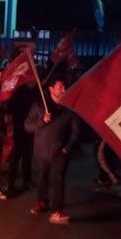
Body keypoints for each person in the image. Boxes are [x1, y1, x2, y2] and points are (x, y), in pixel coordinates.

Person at [24, 77, 80, 224]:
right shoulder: (39, 106)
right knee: (41, 178)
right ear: (51, 89)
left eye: (64, 86)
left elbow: (76, 131)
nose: (64, 89)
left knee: (58, 180)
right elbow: (27, 126)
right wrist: (42, 121)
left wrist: (67, 148)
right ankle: (42, 202)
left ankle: (56, 211)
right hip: (41, 151)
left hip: (59, 153)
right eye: (60, 86)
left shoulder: (69, 109)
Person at [6, 84, 37, 195]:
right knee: (19, 155)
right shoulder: (22, 92)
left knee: (26, 155)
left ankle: (24, 181)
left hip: (26, 127)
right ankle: (13, 183)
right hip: (20, 127)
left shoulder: (32, 91)